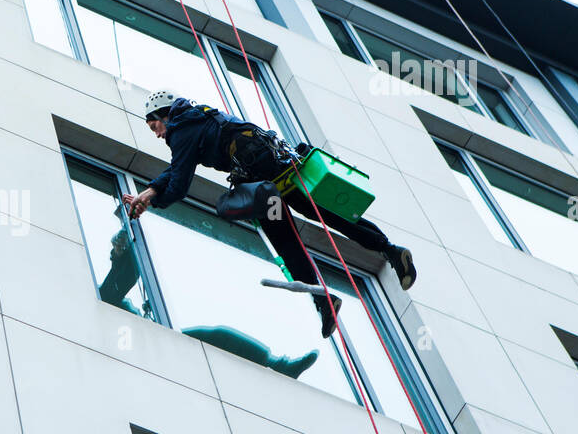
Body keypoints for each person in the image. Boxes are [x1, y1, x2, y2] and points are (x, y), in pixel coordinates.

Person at [122, 90, 416, 338]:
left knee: (285, 241)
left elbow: (179, 183)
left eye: (155, 127)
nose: (159, 135)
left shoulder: (180, 131)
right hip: (278, 167)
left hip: (260, 181)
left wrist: (153, 201)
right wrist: (150, 190)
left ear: (165, 115)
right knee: (327, 214)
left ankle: (323, 300)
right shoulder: (199, 116)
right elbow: (177, 167)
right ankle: (390, 250)